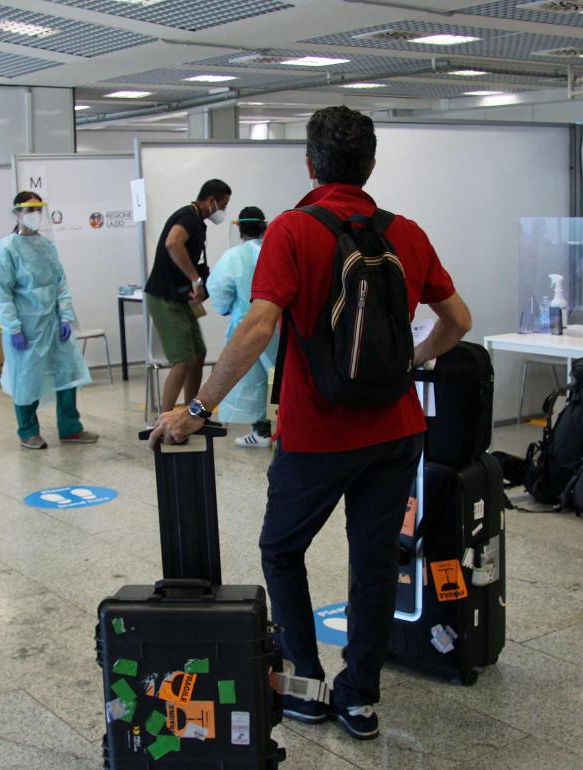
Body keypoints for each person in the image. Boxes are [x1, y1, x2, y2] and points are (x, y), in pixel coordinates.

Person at [149, 107, 472, 740]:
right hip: (396, 431)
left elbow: (258, 325)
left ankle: (304, 682)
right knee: (374, 562)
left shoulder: (294, 231)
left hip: (318, 433)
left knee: (281, 547)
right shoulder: (406, 232)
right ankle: (360, 699)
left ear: (308, 163)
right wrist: (410, 357)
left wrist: (196, 409)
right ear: (372, 165)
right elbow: (458, 321)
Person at [0, 191, 98, 450]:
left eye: (38, 209)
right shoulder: (7, 248)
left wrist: (65, 316)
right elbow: (0, 292)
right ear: (17, 213)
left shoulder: (47, 246)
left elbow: (60, 283)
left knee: (67, 373)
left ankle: (70, 428)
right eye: (28, 209)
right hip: (25, 327)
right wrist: (13, 327)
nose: (34, 215)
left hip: (53, 323)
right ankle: (28, 431)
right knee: (26, 379)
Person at [144, 179, 231, 416]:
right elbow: (173, 243)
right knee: (182, 360)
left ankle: (191, 414)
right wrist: (195, 278)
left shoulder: (197, 221)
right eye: (222, 205)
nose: (222, 211)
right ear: (211, 200)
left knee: (198, 354)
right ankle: (165, 420)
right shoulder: (188, 217)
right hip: (165, 298)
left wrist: (197, 285)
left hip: (182, 299)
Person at [207, 206, 278, 448]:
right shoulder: (275, 251)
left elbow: (217, 288)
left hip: (246, 327)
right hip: (277, 326)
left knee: (252, 379)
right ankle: (288, 432)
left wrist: (229, 308)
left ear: (239, 229)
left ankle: (261, 431)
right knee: (281, 379)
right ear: (264, 225)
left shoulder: (232, 257)